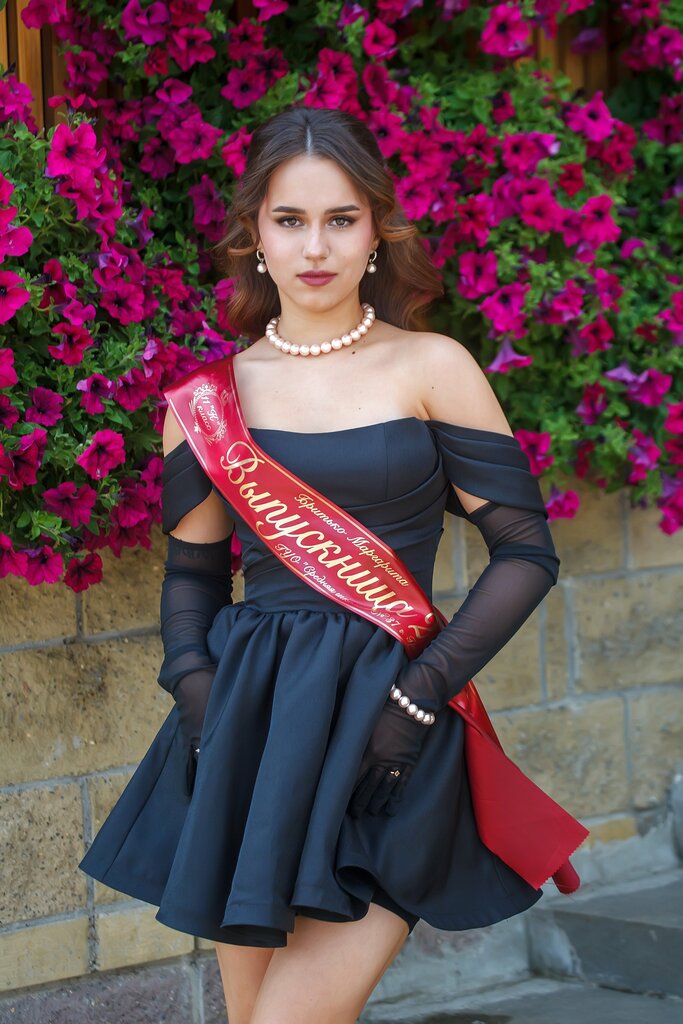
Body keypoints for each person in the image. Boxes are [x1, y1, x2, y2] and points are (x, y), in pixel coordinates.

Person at [79, 105, 564, 1024]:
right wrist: (196, 689)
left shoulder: (431, 366)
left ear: (376, 231)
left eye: (340, 219)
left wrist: (417, 698)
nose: (315, 247)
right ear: (254, 235)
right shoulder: (206, 402)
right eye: (289, 220)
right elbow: (192, 576)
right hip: (251, 729)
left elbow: (525, 553)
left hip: (392, 725)